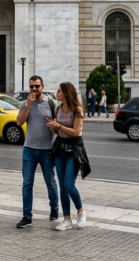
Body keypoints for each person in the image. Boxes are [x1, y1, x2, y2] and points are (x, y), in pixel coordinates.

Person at [15, 75, 60, 229]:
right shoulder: (24, 104)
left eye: (37, 86)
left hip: (46, 149)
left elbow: (58, 126)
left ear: (43, 87)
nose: (34, 89)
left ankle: (54, 208)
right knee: (27, 184)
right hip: (29, 149)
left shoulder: (51, 103)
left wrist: (53, 126)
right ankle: (27, 216)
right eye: (32, 86)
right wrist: (27, 105)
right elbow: (19, 122)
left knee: (50, 182)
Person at [47, 82, 89, 231]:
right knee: (62, 187)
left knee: (69, 185)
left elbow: (76, 132)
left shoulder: (77, 110)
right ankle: (66, 219)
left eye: (59, 91)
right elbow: (59, 132)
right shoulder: (58, 109)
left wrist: (58, 126)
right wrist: (53, 127)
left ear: (66, 93)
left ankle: (81, 211)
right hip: (60, 148)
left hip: (74, 148)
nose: (56, 93)